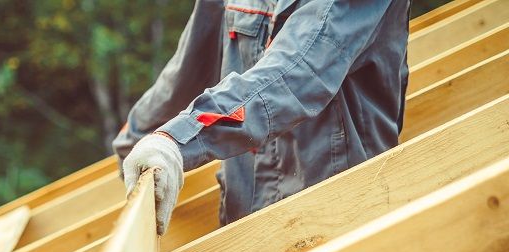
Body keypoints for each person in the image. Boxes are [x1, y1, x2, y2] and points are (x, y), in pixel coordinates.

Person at [114, 0, 410, 235]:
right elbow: (188, 70)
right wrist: (140, 140)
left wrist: (179, 139)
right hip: (242, 222)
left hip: (337, 224)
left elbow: (296, 72)